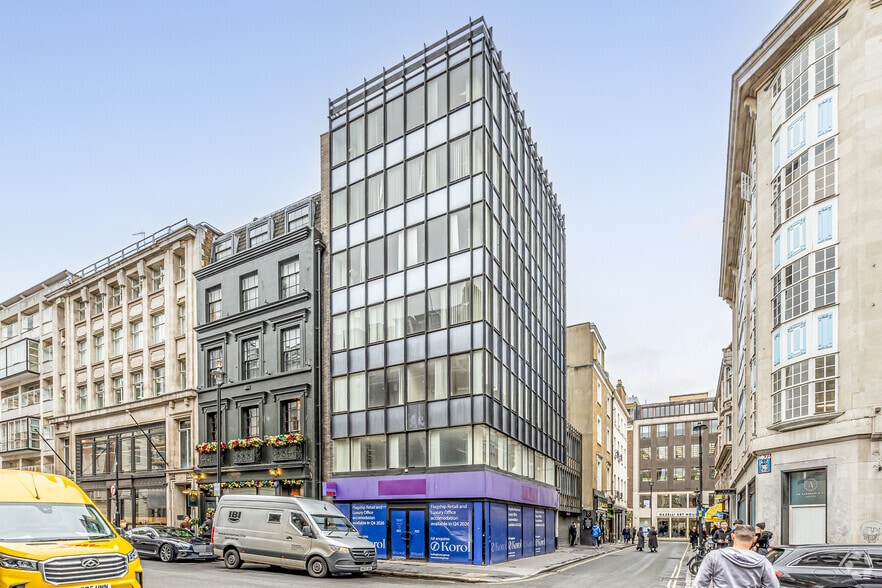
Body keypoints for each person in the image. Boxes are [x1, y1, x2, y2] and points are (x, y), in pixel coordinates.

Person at [692, 524, 779, 588]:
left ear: (732, 536)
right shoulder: (763, 561)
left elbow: (699, 584)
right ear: (754, 539)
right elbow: (773, 586)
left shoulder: (714, 556)